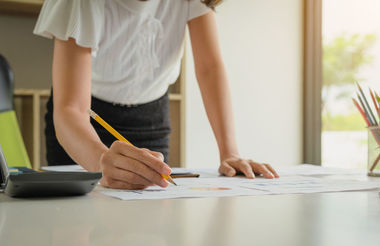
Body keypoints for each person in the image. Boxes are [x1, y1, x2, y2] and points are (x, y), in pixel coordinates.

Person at [33, 0, 279, 190]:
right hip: (85, 125)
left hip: (152, 119)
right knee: (78, 230)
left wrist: (230, 153)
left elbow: (210, 69)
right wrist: (100, 160)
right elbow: (71, 110)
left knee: (152, 227)